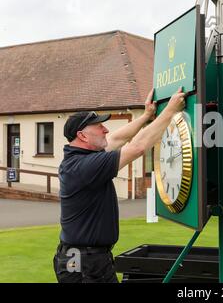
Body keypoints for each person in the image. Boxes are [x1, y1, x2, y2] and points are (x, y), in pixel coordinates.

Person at [53, 88, 185, 283]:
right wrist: (170, 111)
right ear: (82, 136)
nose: (105, 130)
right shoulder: (84, 166)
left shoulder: (83, 157)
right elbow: (137, 147)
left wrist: (147, 115)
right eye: (99, 126)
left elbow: (118, 138)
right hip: (85, 265)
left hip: (88, 259)